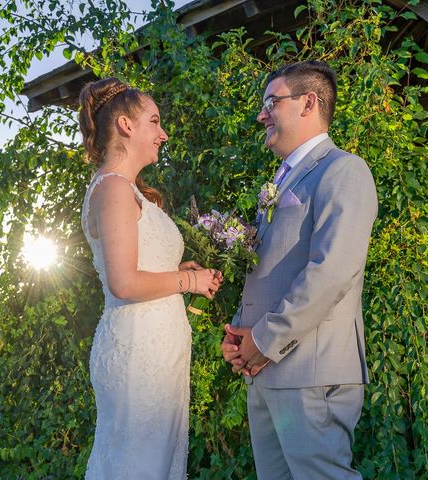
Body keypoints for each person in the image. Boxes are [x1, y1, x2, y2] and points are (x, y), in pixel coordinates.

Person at [221, 60, 378, 479]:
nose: (261, 114)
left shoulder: (343, 170)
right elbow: (268, 268)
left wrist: (265, 339)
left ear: (309, 103)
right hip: (265, 369)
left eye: (272, 102)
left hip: (311, 373)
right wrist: (240, 335)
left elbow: (332, 272)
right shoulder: (279, 181)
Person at [78, 77, 221, 479]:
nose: (163, 133)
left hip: (158, 354)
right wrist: (188, 284)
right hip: (137, 356)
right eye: (154, 121)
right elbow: (123, 282)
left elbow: (137, 267)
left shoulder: (128, 190)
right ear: (126, 125)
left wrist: (178, 272)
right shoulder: (113, 189)